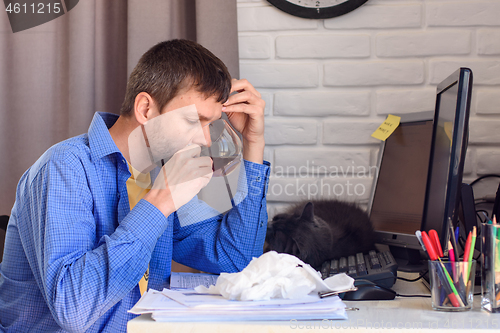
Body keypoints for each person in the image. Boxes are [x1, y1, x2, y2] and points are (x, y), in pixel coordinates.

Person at [0, 39, 270, 332]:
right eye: (195, 120)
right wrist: (160, 203)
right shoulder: (65, 168)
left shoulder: (161, 172)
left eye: (212, 124)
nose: (207, 140)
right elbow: (74, 309)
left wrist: (252, 145)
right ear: (145, 109)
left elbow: (234, 259)